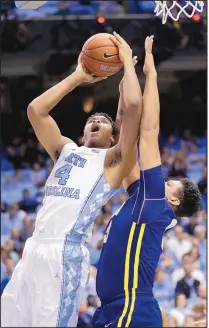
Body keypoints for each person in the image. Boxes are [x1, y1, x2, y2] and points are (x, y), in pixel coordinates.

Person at [1, 32, 143, 327]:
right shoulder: (65, 150)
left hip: (64, 253)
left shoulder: (114, 161)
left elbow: (133, 110)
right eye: (92, 119)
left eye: (103, 122)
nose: (95, 121)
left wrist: (128, 66)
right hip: (34, 247)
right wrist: (78, 76)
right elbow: (35, 111)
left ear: (114, 138)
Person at [93, 36, 201, 327]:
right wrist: (123, 90)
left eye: (170, 184)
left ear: (174, 201)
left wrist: (149, 74)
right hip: (116, 308)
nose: (162, 181)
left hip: (131, 307)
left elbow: (149, 130)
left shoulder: (155, 203)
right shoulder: (141, 197)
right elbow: (123, 141)